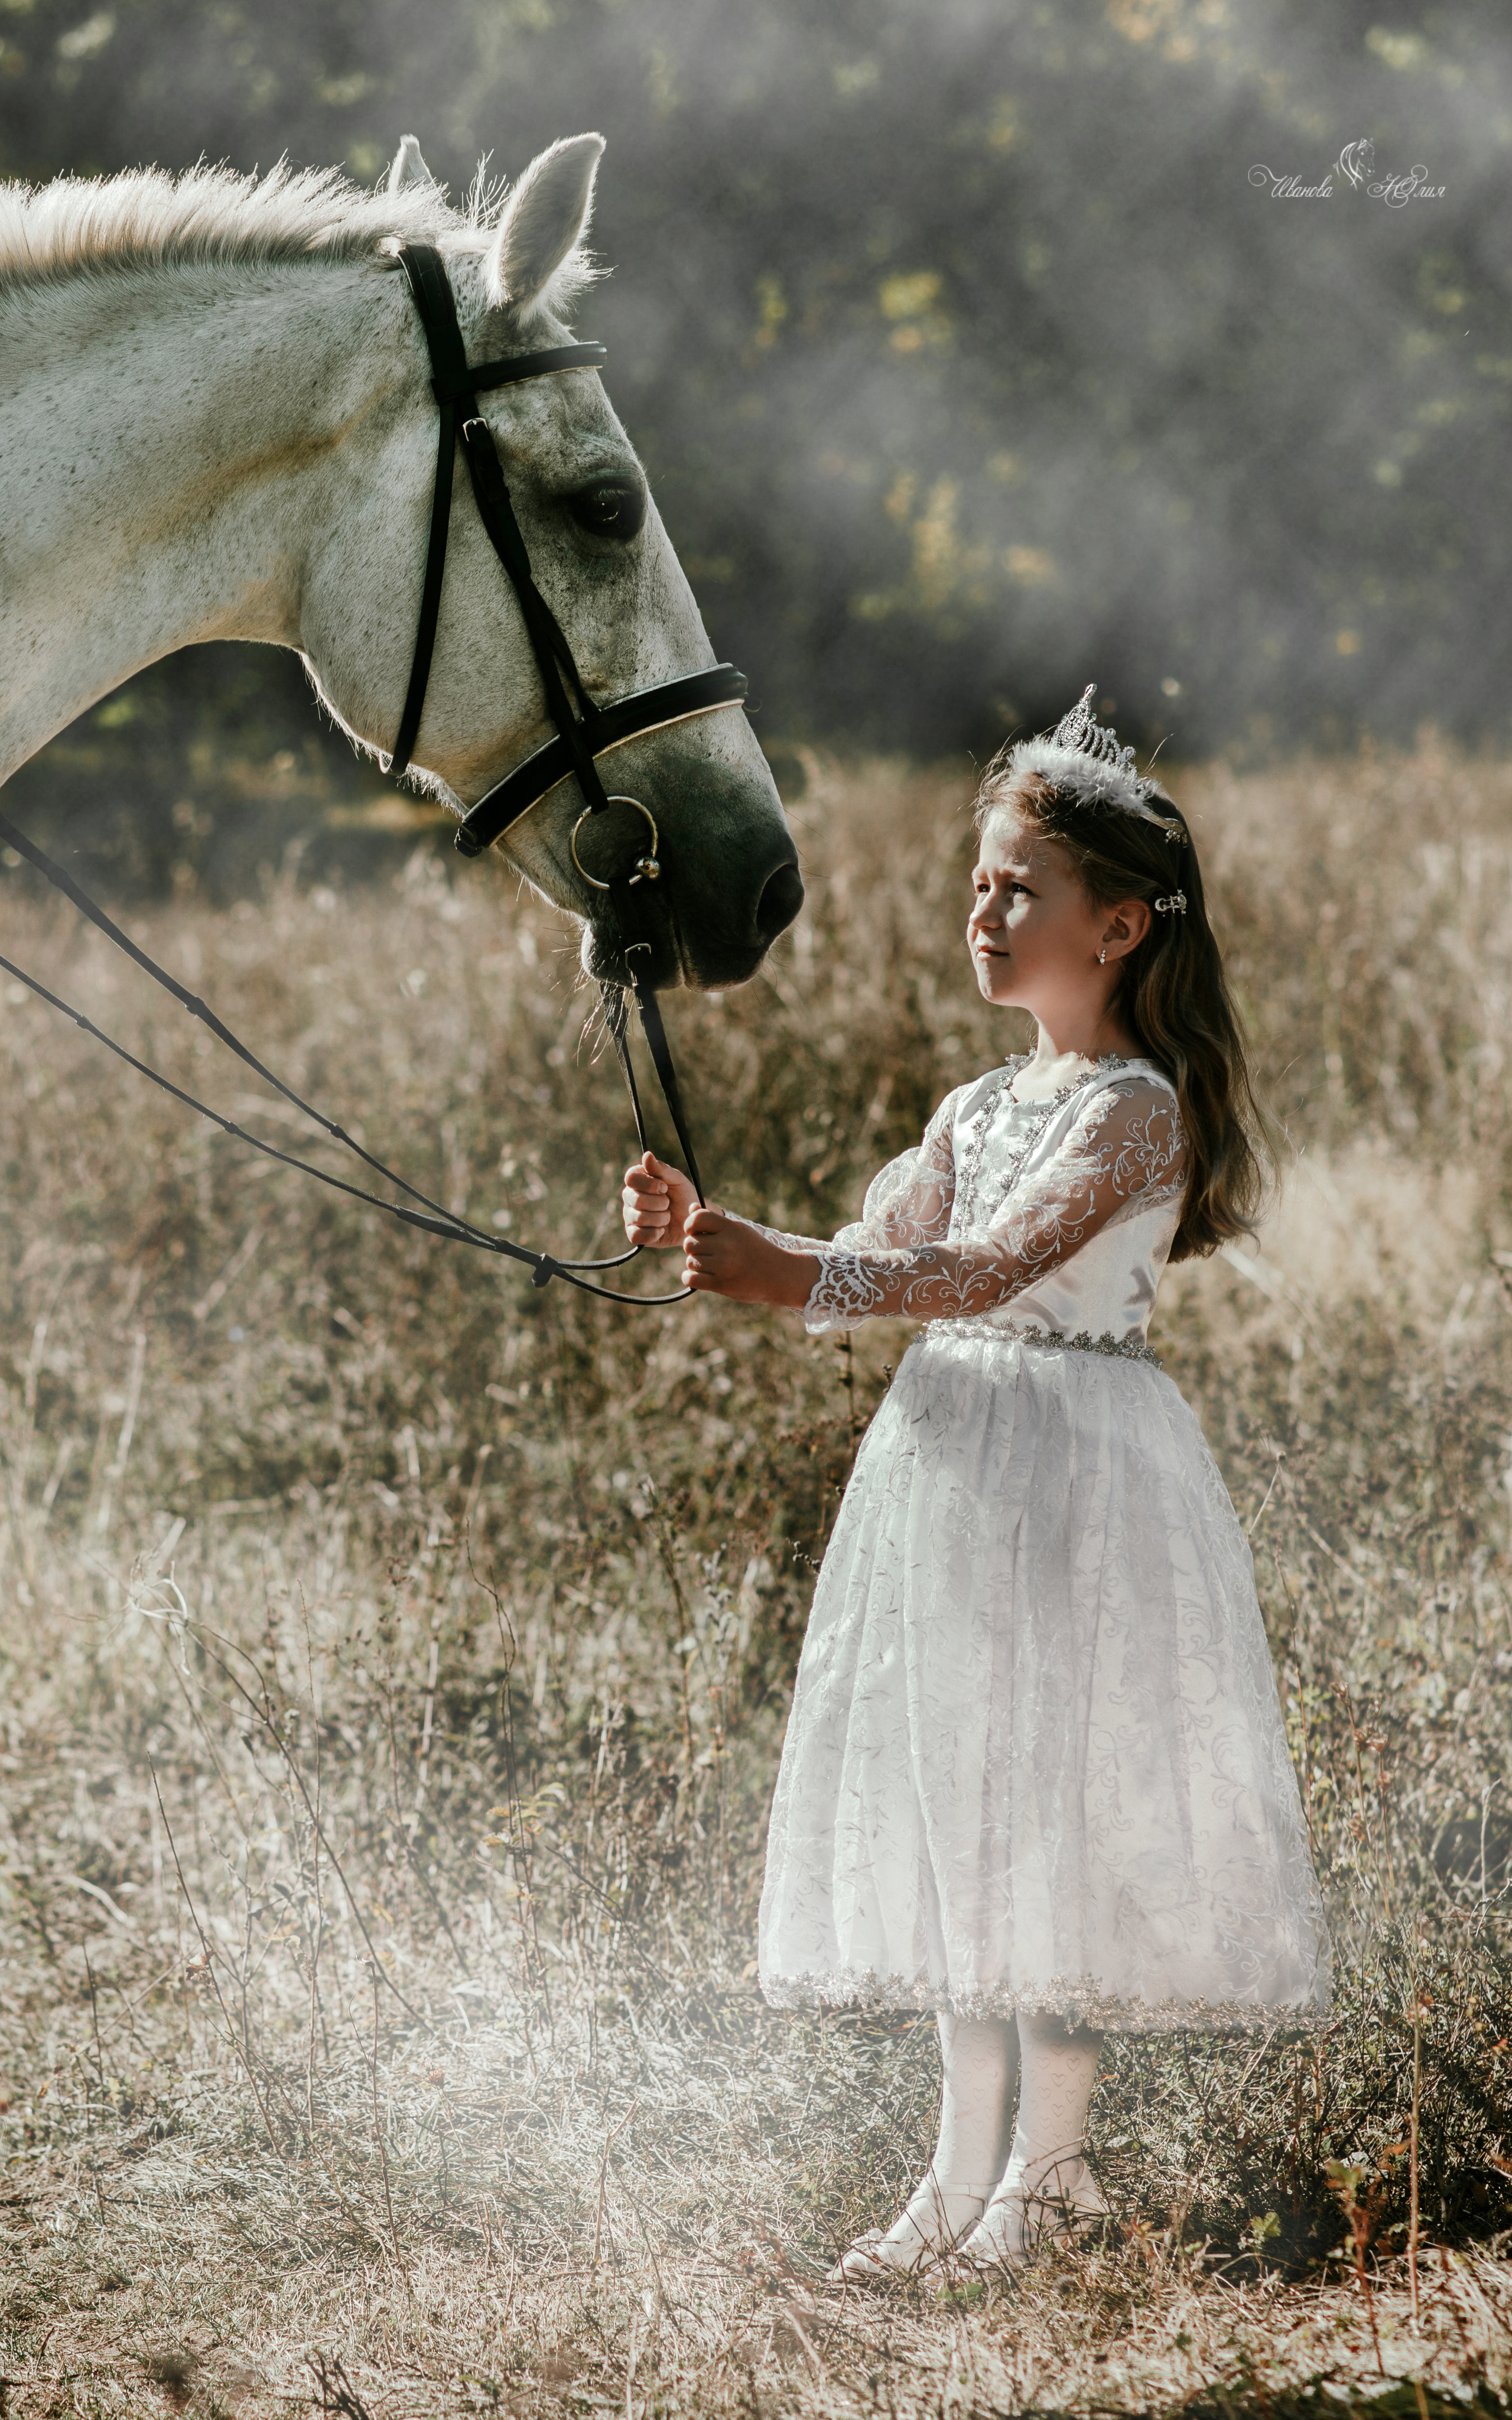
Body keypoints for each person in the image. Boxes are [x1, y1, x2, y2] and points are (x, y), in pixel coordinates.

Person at [620, 687, 1331, 2280]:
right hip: (950, 1465)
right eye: (980, 884)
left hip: (1083, 1472)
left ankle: (1048, 2177)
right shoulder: (975, 1106)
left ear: (1124, 925)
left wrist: (780, 1267)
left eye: (1024, 888)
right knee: (966, 1805)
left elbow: (983, 1267)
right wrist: (714, 1237)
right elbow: (871, 1269)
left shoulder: (1132, 1110)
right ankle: (957, 2176)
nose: (985, 910)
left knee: (1063, 1806)